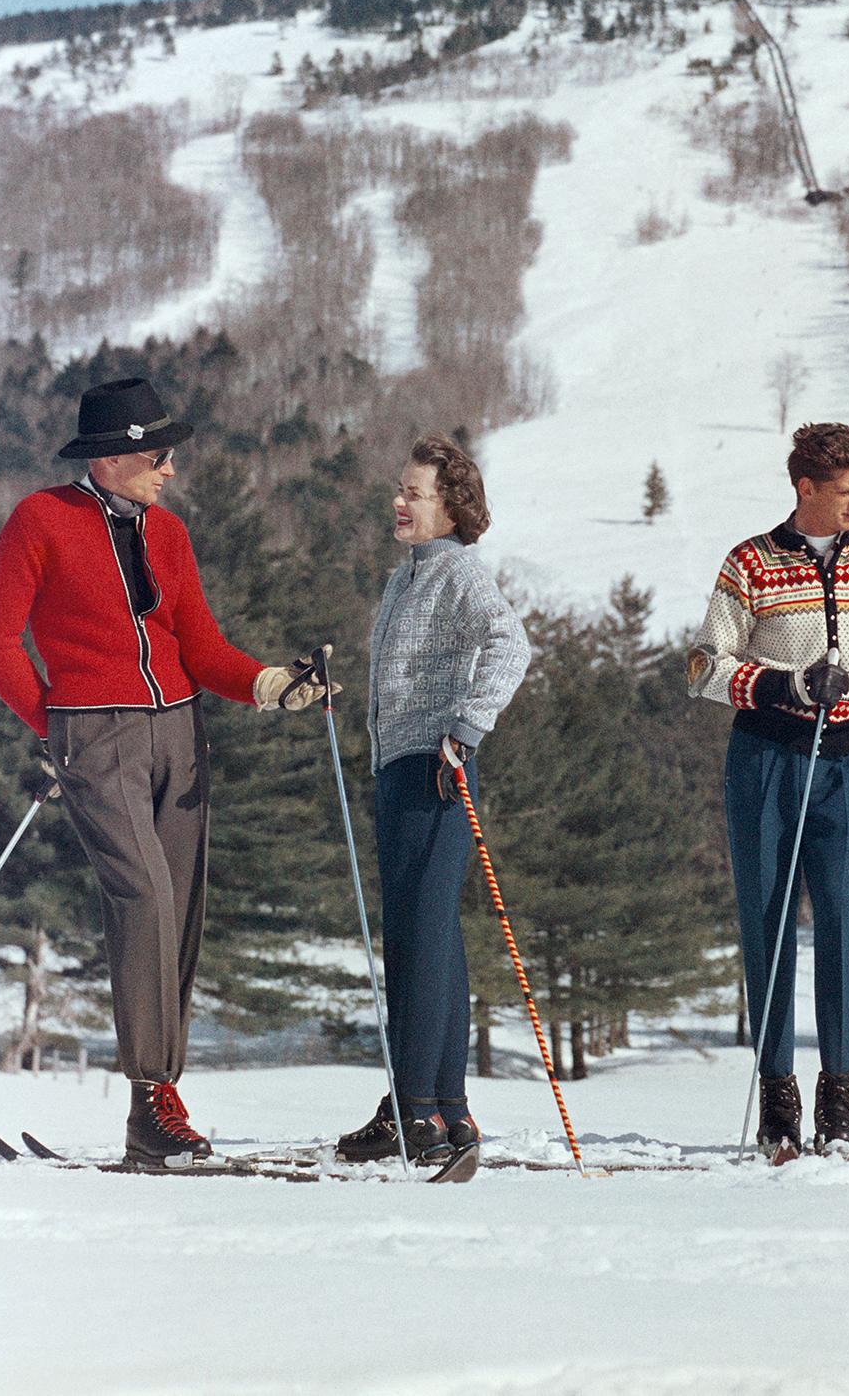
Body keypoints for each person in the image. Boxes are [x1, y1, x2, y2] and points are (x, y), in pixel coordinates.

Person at [0, 376, 328, 1166]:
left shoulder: (168, 534)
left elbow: (202, 648)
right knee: (144, 900)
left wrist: (270, 684)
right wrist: (56, 727)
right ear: (117, 454)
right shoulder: (40, 520)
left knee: (182, 914)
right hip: (96, 736)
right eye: (159, 455)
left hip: (182, 733)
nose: (170, 470)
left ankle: (151, 1109)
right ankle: (155, 1096)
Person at [688, 421, 849, 1158]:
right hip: (768, 759)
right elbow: (706, 666)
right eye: (845, 492)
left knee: (840, 920)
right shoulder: (751, 563)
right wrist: (788, 683)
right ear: (805, 488)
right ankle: (779, 1101)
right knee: (768, 925)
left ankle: (841, 1104)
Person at [334, 434, 530, 1165]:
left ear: (450, 509)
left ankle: (416, 1110)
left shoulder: (456, 572)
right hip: (401, 769)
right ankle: (440, 1107)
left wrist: (468, 726)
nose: (399, 501)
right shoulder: (406, 577)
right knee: (427, 935)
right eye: (401, 488)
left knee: (420, 939)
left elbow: (511, 644)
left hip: (436, 769)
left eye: (413, 493)